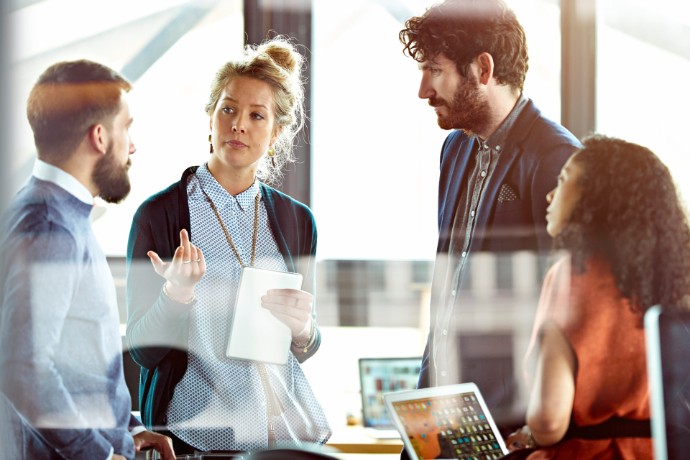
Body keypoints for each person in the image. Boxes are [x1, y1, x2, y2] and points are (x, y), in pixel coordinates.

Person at [125, 36, 331, 455]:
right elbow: (143, 353)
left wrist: (305, 329)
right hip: (190, 438)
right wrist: (175, 294)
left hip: (280, 436)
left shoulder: (297, 221)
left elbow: (300, 348)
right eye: (229, 109)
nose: (239, 124)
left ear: (275, 132)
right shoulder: (159, 216)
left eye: (257, 115)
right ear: (210, 118)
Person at [398, 0, 581, 423]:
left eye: (435, 70)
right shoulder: (455, 147)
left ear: (483, 69)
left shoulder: (559, 160)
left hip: (512, 422)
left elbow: (569, 312)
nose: (423, 90)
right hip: (443, 412)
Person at [0, 60, 174, 460]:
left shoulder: (60, 213)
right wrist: (101, 454)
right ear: (99, 136)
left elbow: (78, 363)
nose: (132, 145)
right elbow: (24, 369)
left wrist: (127, 429)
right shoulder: (49, 227)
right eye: (126, 127)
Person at [505, 135, 690, 458]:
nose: (550, 195)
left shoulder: (573, 275)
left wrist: (533, 432)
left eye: (563, 180)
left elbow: (549, 420)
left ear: (597, 197)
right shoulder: (673, 277)